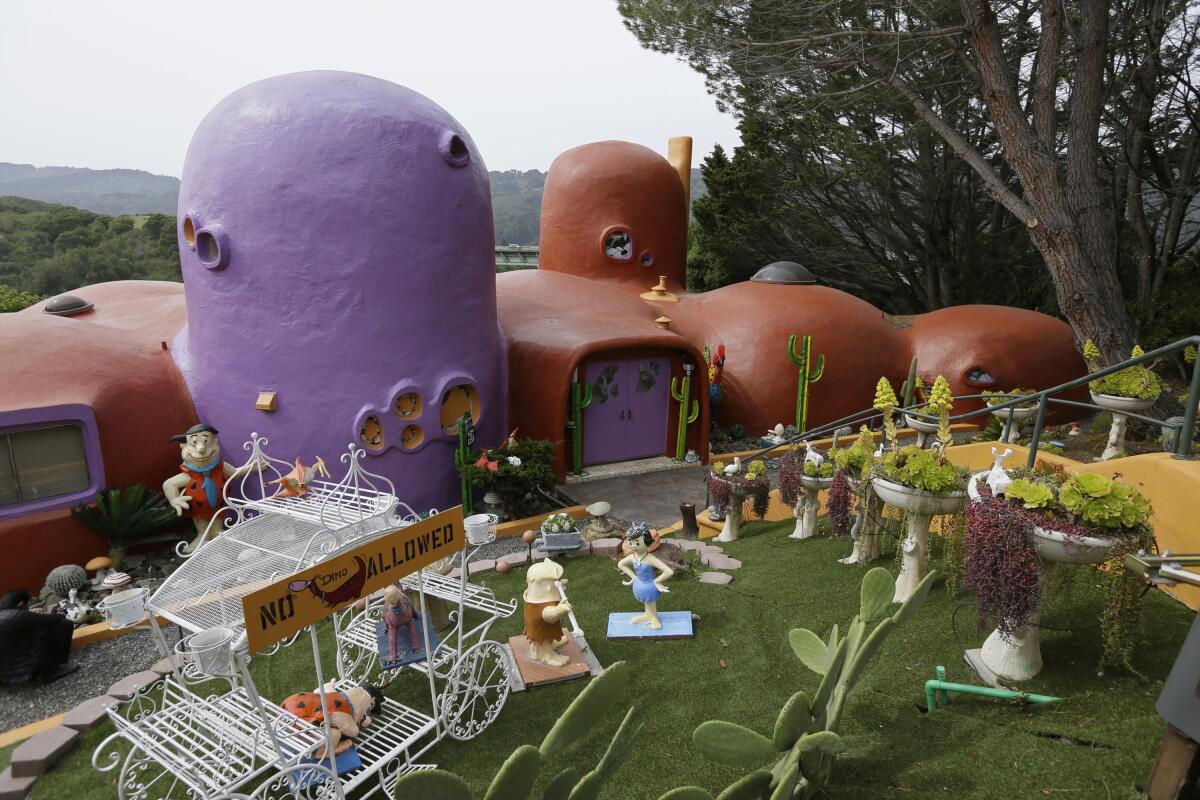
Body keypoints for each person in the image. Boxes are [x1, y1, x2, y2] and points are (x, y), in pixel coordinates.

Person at [0, 590, 79, 684]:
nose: (27, 607)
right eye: (27, 604)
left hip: (4, 676)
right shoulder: (19, 615)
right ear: (20, 603)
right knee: (65, 624)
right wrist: (62, 613)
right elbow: (53, 619)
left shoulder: (5, 615)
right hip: (29, 673)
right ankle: (53, 670)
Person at [617, 522, 674, 629]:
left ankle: (653, 617)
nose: (633, 546)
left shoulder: (650, 558)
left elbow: (669, 572)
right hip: (639, 585)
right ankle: (647, 615)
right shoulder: (633, 557)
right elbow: (621, 564)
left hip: (650, 586)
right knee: (647, 602)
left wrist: (657, 581)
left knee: (650, 601)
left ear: (647, 542)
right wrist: (634, 577)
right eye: (630, 542)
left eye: (637, 543)